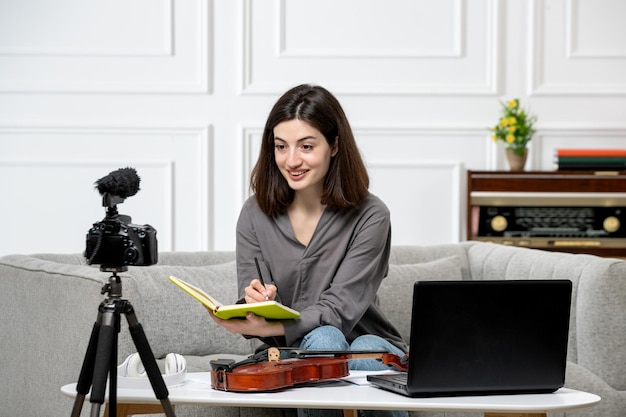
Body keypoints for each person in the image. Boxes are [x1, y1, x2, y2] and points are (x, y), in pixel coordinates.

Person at [209, 84, 407, 417]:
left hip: (367, 346)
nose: (291, 160)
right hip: (290, 353)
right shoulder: (254, 214)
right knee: (326, 339)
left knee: (356, 343)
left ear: (334, 146)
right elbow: (249, 292)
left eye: (306, 146)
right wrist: (255, 303)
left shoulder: (372, 216)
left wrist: (276, 326)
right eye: (281, 146)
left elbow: (339, 309)